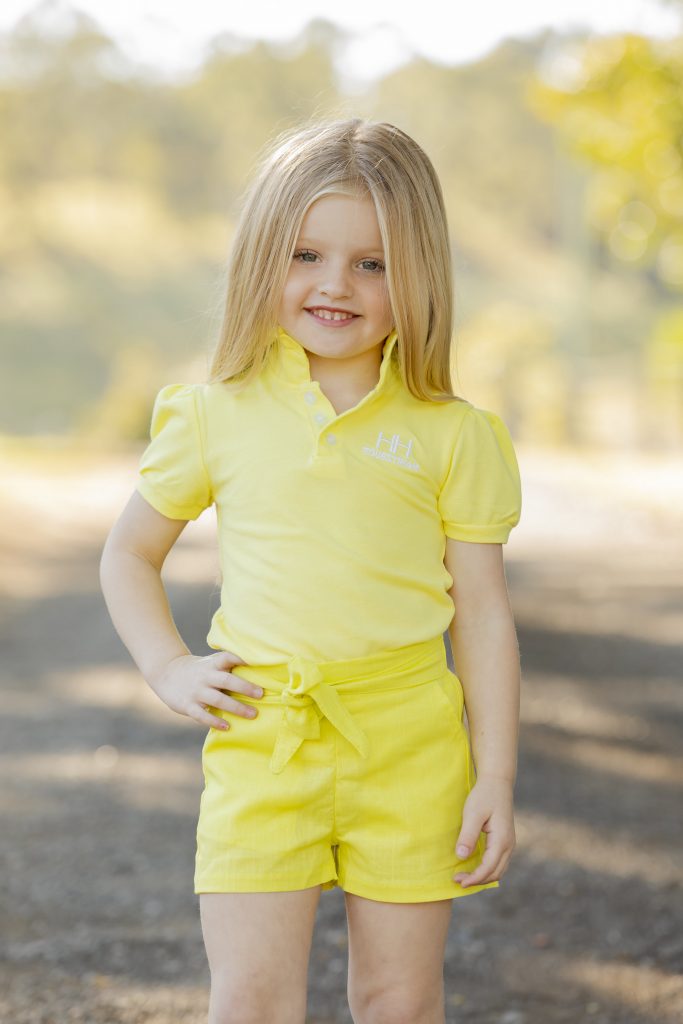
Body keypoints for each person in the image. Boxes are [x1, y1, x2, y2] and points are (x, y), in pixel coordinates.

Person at [99, 116, 522, 1024]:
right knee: (249, 1001)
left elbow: (481, 614)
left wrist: (495, 774)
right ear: (263, 257)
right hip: (263, 744)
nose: (337, 285)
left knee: (399, 1000)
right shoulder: (216, 413)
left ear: (417, 274)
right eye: (306, 254)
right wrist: (167, 668)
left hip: (409, 749)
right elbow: (129, 554)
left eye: (372, 263)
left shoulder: (454, 432)